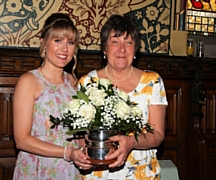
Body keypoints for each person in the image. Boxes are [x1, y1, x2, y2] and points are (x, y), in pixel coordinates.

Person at [78, 14, 168, 179]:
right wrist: (82, 152)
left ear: (135, 50)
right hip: (98, 173)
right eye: (115, 41)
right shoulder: (87, 82)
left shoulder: (152, 82)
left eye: (128, 42)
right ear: (104, 48)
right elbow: (79, 134)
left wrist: (132, 142)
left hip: (141, 173)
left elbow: (157, 134)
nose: (122, 49)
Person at [13, 13, 91, 179]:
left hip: (71, 170)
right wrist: (67, 153)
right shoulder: (29, 81)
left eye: (70, 43)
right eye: (57, 41)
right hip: (38, 168)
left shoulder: (73, 83)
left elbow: (79, 132)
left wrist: (84, 151)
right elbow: (22, 140)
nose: (64, 49)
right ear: (43, 43)